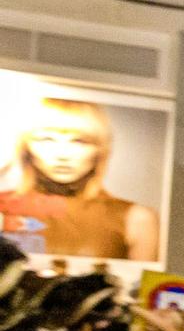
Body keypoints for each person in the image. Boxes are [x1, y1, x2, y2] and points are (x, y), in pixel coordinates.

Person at [0, 97, 160, 260]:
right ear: (26, 148)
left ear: (100, 149)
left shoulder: (137, 219)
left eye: (79, 141)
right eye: (46, 139)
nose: (62, 154)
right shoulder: (3, 207)